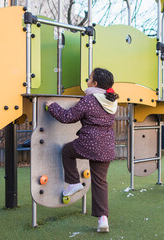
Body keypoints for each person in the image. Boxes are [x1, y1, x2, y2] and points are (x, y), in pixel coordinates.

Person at [45, 68, 119, 233]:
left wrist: (52, 107)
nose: (87, 80)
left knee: (67, 151)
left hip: (88, 143)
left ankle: (73, 183)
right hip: (106, 146)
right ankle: (103, 220)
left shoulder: (90, 100)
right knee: (100, 181)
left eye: (89, 78)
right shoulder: (112, 102)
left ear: (95, 83)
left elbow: (67, 117)